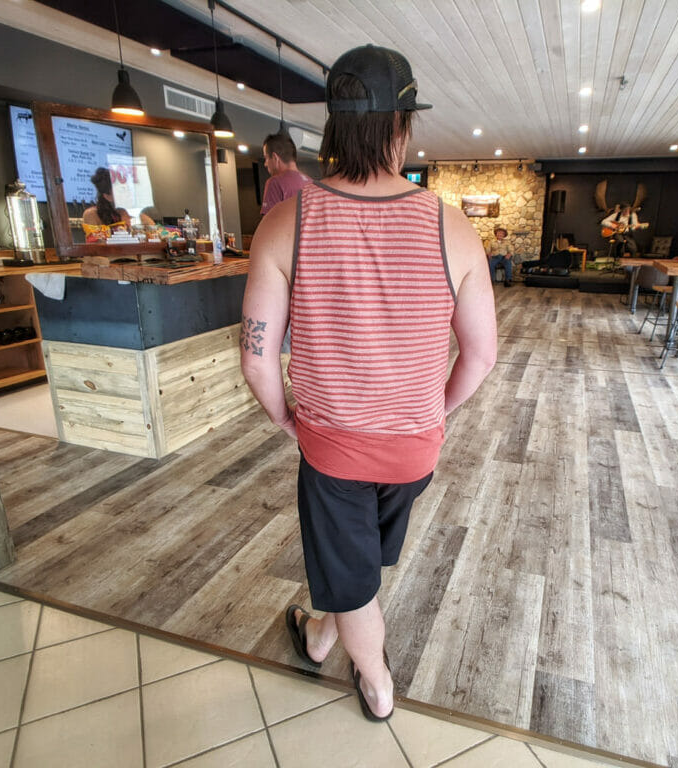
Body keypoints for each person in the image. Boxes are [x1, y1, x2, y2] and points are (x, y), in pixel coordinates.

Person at [240, 44, 497, 722]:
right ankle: (321, 636)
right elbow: (481, 356)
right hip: (416, 450)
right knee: (357, 561)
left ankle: (377, 685)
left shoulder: (283, 223)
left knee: (353, 579)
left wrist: (286, 419)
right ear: (402, 126)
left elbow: (257, 359)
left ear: (332, 126)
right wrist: (429, 413)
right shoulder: (455, 227)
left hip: (333, 447)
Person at [260, 132, 312, 214]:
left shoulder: (275, 183)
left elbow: (271, 225)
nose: (265, 164)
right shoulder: (311, 182)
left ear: (275, 158)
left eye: (266, 158)